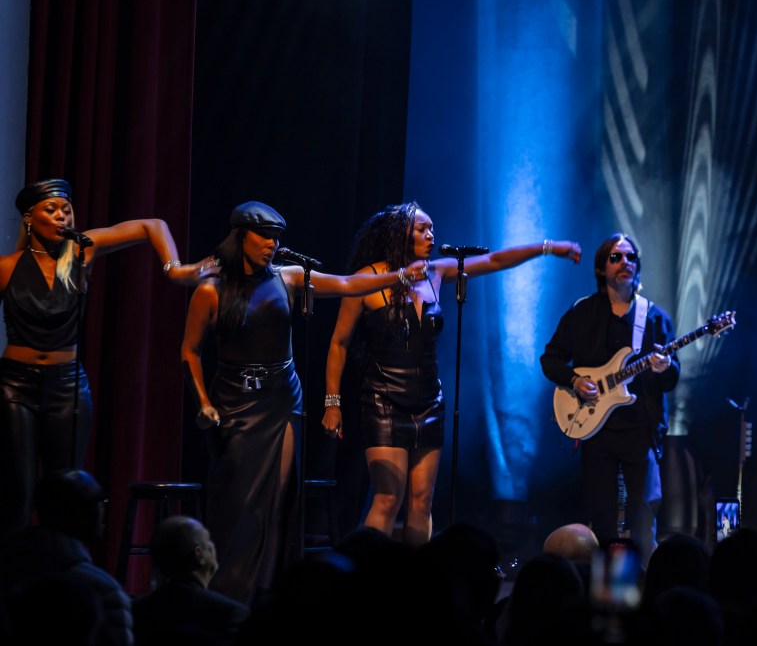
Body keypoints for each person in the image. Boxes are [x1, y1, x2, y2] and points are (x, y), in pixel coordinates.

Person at [180, 201, 429, 606]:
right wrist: (203, 403)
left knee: (280, 497)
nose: (272, 245)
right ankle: (228, 594)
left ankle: (267, 593)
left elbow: (346, 285)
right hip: (235, 403)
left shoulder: (289, 277)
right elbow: (190, 352)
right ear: (241, 235)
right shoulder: (212, 289)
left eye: (277, 237)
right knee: (243, 503)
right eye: (264, 236)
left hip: (283, 400)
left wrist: (399, 275)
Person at [321, 201, 581, 547]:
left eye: (432, 229)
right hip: (383, 400)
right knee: (387, 499)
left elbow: (493, 261)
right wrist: (332, 402)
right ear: (399, 234)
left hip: (429, 401)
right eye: (422, 229)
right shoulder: (367, 279)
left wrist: (549, 248)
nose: (431, 236)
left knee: (421, 502)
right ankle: (370, 579)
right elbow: (339, 342)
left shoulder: (435, 272)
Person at [0, 178, 208, 538]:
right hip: (15, 386)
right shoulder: (7, 266)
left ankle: (64, 577)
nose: (62, 217)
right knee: (17, 491)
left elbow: (152, 225)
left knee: (65, 489)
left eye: (67, 209)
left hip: (66, 384)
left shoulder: (81, 252)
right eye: (51, 210)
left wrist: (174, 268)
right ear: (30, 219)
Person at [539, 233, 680, 568]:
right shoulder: (582, 312)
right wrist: (575, 380)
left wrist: (664, 367)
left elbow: (672, 378)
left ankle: (643, 588)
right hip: (595, 431)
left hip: (640, 429)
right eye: (616, 258)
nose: (624, 263)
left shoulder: (655, 318)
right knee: (601, 514)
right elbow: (550, 359)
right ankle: (609, 593)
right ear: (601, 268)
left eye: (630, 257)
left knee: (644, 511)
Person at [0, 468, 133, 646]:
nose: (102, 511)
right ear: (76, 513)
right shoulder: (104, 589)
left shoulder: (6, 573)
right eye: (97, 502)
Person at [131, 515, 250, 646]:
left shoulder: (136, 609)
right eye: (208, 540)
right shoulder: (231, 614)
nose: (213, 546)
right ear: (199, 555)